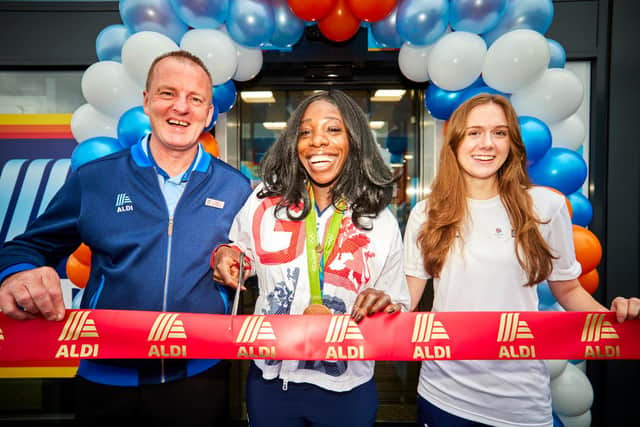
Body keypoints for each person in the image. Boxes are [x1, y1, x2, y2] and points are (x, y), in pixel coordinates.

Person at [0, 50, 252, 426]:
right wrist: (19, 272)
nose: (181, 107)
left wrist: (237, 262)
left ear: (210, 114)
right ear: (146, 102)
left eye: (195, 98)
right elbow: (27, 246)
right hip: (105, 375)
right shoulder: (96, 179)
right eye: (167, 93)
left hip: (199, 375)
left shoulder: (235, 186)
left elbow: (250, 256)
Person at [403, 93, 640, 427]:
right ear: (455, 142)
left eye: (499, 133)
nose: (487, 143)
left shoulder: (545, 207)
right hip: (444, 394)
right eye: (474, 132)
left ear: (512, 143)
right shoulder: (427, 213)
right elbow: (405, 300)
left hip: (520, 400)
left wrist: (617, 321)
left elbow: (569, 291)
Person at [212, 89, 410, 427]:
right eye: (306, 131)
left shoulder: (379, 218)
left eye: (333, 129)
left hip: (347, 387)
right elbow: (240, 252)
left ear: (354, 139)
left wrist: (385, 304)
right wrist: (229, 257)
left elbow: (399, 305)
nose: (318, 141)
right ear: (294, 142)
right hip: (271, 382)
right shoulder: (265, 201)